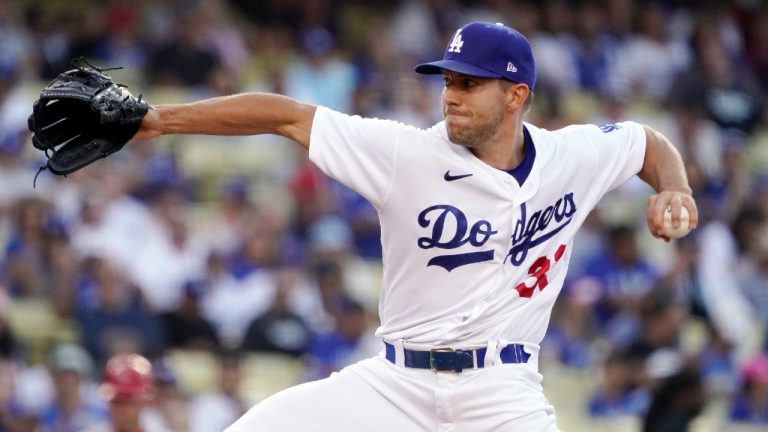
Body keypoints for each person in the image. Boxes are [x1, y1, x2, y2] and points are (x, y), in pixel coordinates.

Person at [134, 21, 698, 432]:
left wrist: (675, 186)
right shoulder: (405, 153)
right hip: (395, 384)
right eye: (448, 80)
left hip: (501, 393)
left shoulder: (570, 157)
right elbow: (286, 115)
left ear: (516, 95)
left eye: (469, 84)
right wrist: (161, 119)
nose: (451, 95)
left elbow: (646, 142)